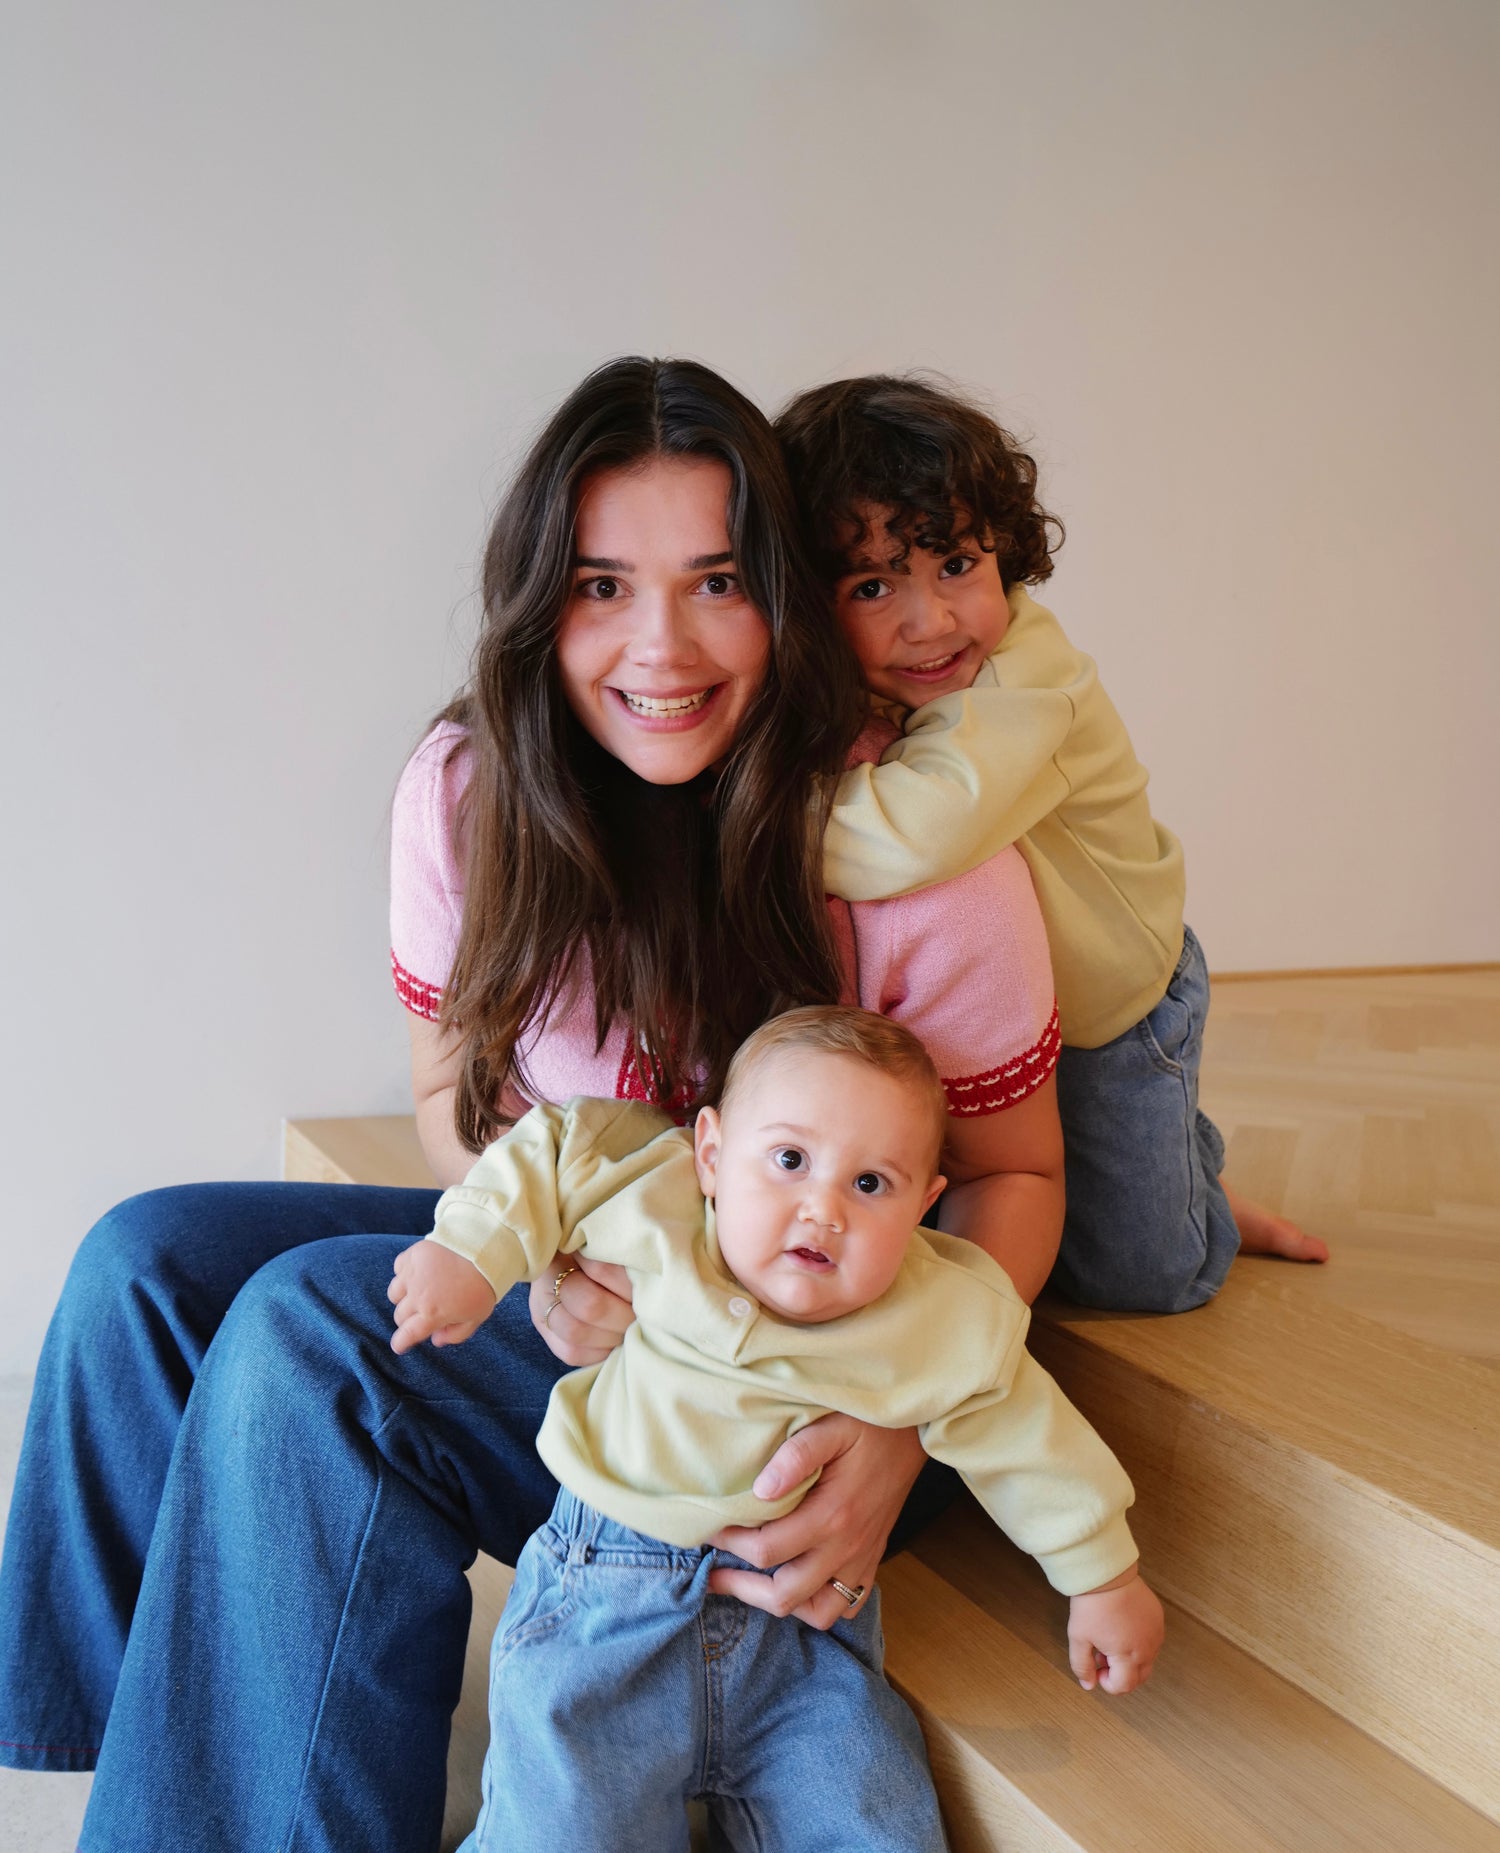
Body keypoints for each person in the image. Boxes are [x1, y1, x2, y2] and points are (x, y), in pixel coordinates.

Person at [0, 358, 1072, 1853]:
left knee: (316, 1341)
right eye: (600, 585)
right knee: (146, 1264)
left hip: (814, 1383)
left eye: (715, 582)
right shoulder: (471, 789)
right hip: (609, 1318)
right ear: (535, 602)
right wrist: (540, 1251)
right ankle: (177, 1776)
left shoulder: (911, 845)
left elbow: (1020, 1177)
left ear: (782, 593)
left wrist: (888, 1430)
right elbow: (455, 1097)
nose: (662, 644)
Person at [389, 1007, 1163, 1853]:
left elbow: (1029, 1437)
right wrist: (469, 1253)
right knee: (562, 1831)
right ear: (713, 1153)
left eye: (871, 1184)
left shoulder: (942, 1314)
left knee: (877, 1828)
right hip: (606, 1614)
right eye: (790, 1159)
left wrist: (1103, 1577)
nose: (823, 1209)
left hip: (803, 1644)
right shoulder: (664, 1205)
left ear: (924, 1205)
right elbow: (555, 1150)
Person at [775, 373, 1330, 1313]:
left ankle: (1203, 1197)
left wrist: (746, 820)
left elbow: (911, 833)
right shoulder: (877, 680)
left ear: (1005, 549)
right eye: (875, 585)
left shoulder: (1027, 682)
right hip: (1003, 1021)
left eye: (956, 564)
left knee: (1147, 1275)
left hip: (1113, 1010)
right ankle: (1167, 1179)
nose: (932, 619)